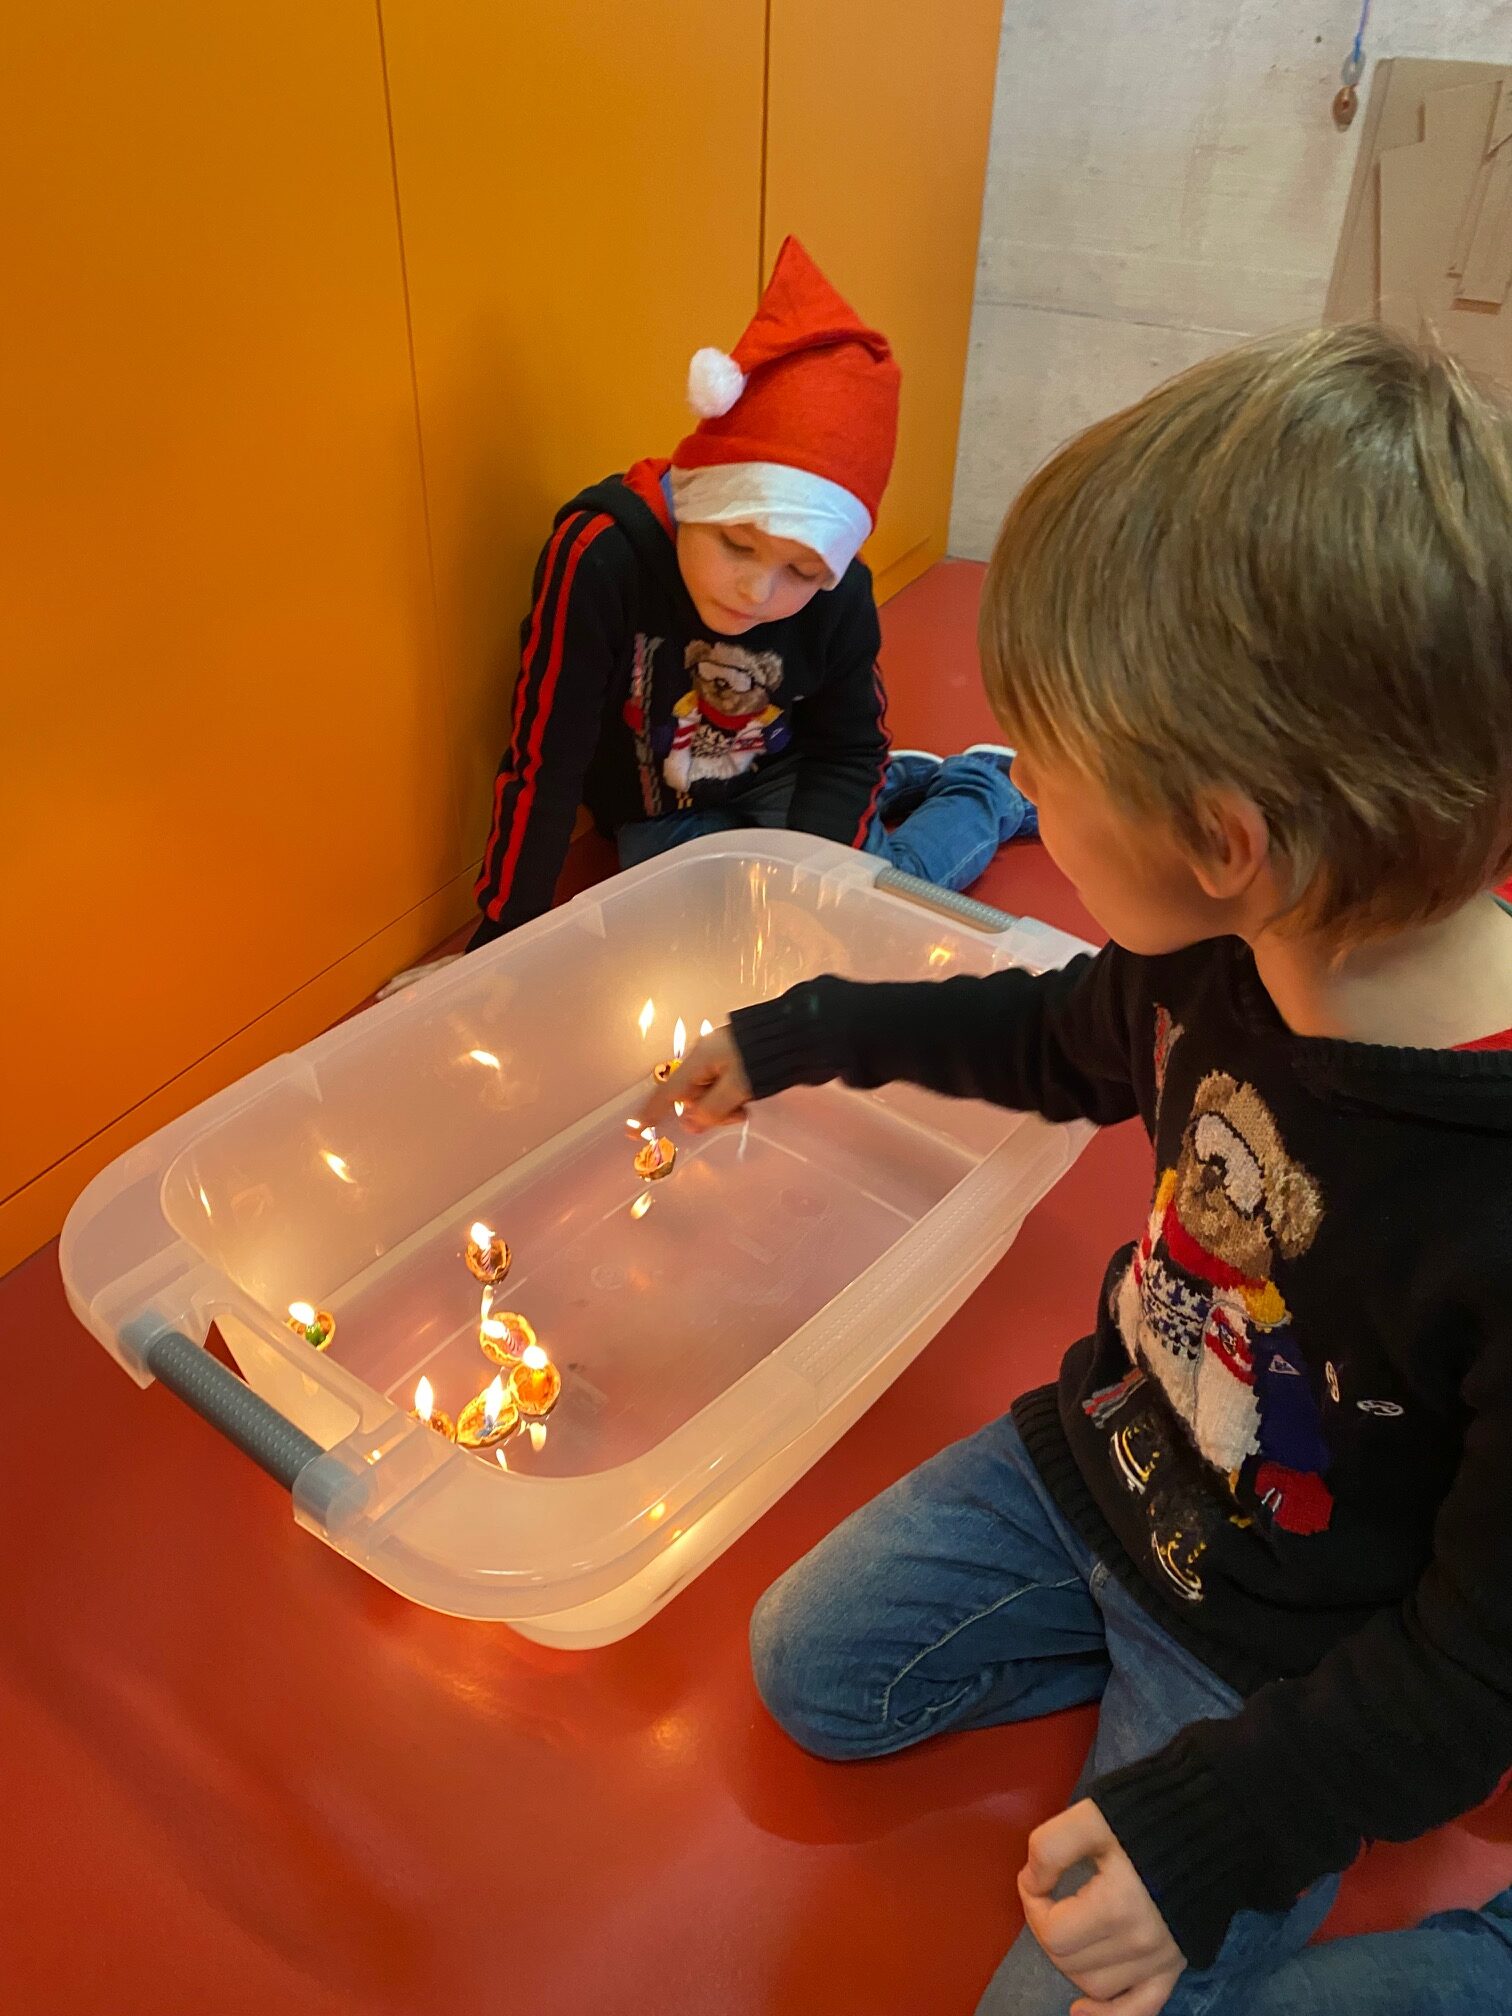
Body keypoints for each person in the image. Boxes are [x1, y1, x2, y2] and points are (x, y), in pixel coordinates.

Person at [644, 326, 1512, 2015]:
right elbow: (1045, 1035)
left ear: (1225, 841)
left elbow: (1477, 1666)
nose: (1016, 782)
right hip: (1105, 1456)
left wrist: (1224, 1818)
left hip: (1289, 1648)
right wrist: (805, 1031)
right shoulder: (1216, 955)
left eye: (1045, 765)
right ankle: (1111, 1639)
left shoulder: (1484, 1199)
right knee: (809, 1671)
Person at [453, 239, 1032, 977]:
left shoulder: (842, 593)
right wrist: (502, 941)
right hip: (666, 811)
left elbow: (845, 747)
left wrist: (816, 898)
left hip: (790, 770)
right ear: (697, 501)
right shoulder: (599, 556)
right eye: (735, 544)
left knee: (873, 907)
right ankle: (906, 777)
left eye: (800, 572)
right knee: (696, 924)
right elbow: (546, 756)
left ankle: (985, 788)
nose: (756, 592)